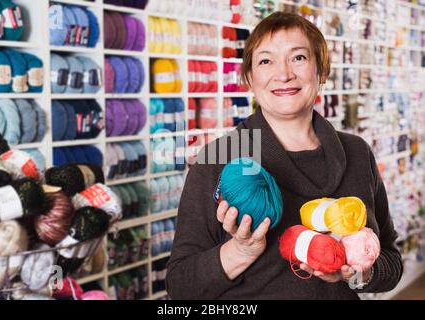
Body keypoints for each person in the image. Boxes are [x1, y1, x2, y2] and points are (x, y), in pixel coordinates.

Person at [165, 12, 403, 299]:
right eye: (266, 61)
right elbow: (180, 285)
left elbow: (390, 260)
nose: (284, 74)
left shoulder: (356, 152)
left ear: (322, 70)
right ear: (250, 79)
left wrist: (359, 273)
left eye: (298, 58)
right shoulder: (219, 158)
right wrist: (239, 251)